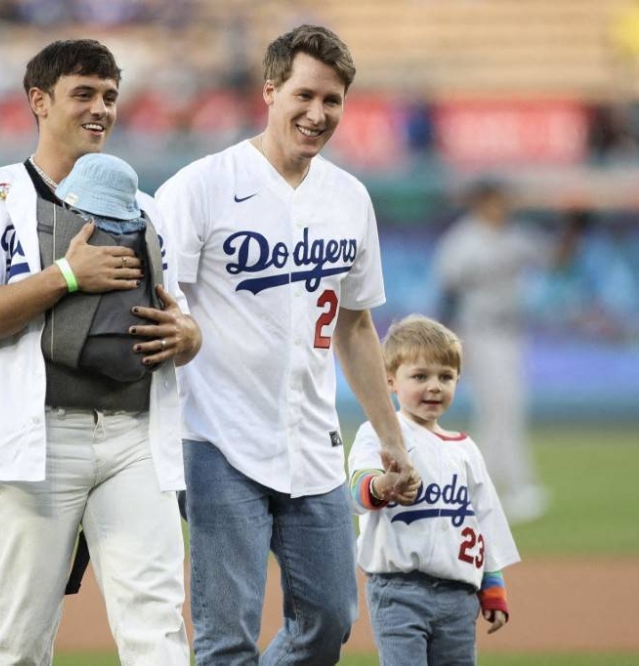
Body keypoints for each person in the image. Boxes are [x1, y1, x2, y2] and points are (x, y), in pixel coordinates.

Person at [155, 24, 419, 665]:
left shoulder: (349, 198)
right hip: (215, 438)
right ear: (269, 91)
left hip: (312, 440)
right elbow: (158, 303)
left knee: (329, 619)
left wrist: (390, 435)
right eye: (304, 95)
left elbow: (355, 324)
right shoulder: (201, 186)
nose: (317, 113)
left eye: (332, 101)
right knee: (226, 638)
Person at [0, 39, 199, 666]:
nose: (100, 108)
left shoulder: (145, 208)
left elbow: (178, 320)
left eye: (109, 95)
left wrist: (190, 337)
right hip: (39, 439)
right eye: (83, 94)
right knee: (20, 637)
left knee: (157, 628)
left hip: (135, 436)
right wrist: (67, 276)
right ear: (39, 101)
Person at [348, 315, 520, 665]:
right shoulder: (380, 433)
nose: (434, 387)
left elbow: (482, 524)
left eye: (446, 376)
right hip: (398, 590)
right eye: (420, 376)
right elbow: (357, 491)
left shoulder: (466, 450)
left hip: (459, 597)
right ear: (390, 381)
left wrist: (493, 586)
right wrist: (385, 485)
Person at [434, 179, 580, 524]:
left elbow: (556, 260)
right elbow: (447, 294)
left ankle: (474, 490)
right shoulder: (462, 241)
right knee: (502, 408)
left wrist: (574, 227)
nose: (504, 206)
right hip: (477, 332)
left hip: (511, 332)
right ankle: (517, 487)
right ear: (481, 202)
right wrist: (452, 345)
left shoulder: (516, 236)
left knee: (499, 412)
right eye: (497, 200)